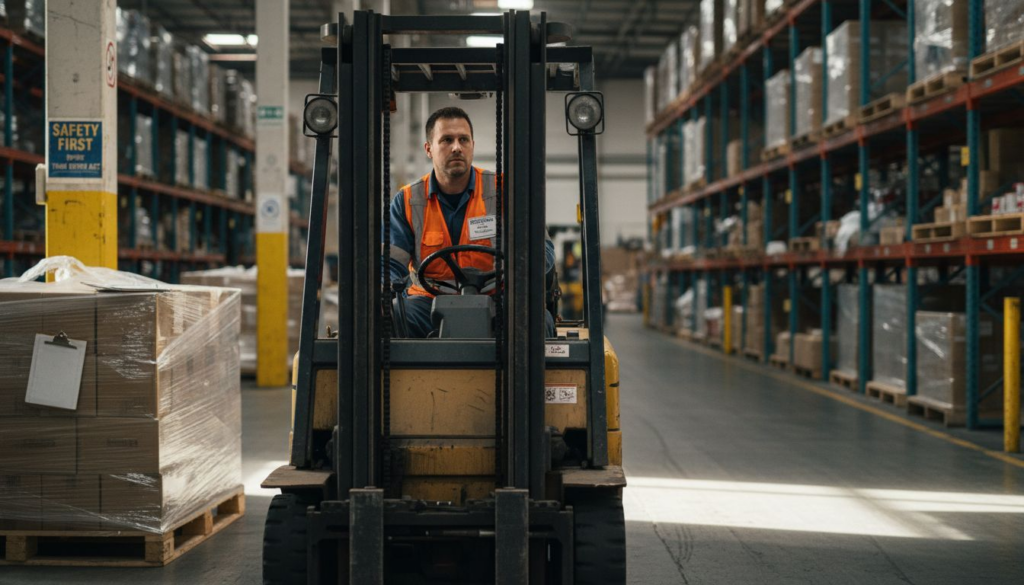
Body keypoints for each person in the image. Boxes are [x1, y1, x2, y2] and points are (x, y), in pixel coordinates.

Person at [387, 106, 555, 338]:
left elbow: (543, 251)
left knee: (536, 318)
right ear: (428, 149)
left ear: (472, 146)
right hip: (428, 303)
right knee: (391, 316)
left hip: (496, 299)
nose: (456, 147)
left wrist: (522, 274)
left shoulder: (506, 192)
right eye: (446, 140)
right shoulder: (407, 201)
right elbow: (390, 265)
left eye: (463, 139)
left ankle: (528, 376)